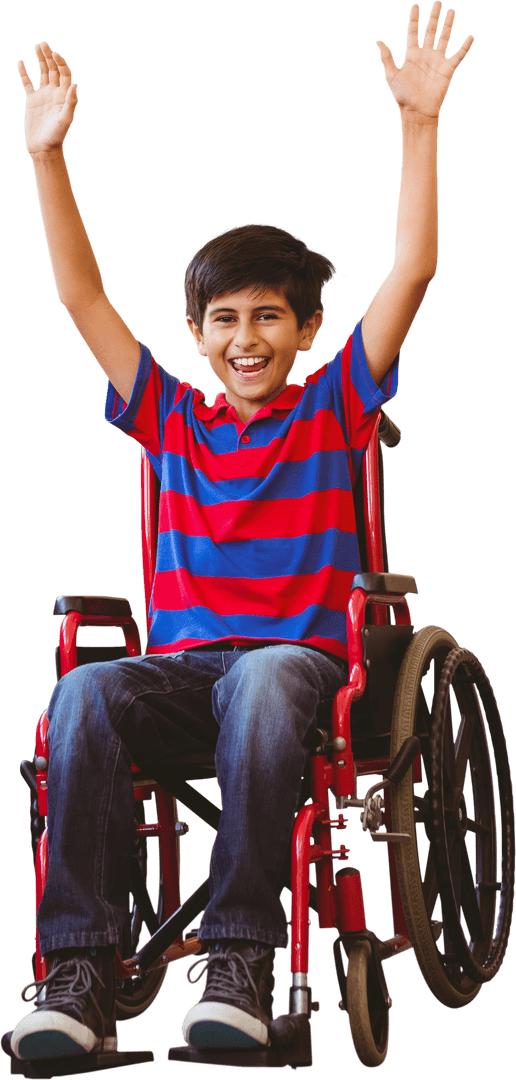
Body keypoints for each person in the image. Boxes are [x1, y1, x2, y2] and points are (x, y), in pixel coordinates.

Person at [10, 2, 473, 1062]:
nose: (246, 336)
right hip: (184, 674)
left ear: (306, 330)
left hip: (297, 675)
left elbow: (412, 274)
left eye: (269, 315)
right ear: (198, 335)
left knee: (264, 675)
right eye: (224, 318)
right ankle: (77, 972)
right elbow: (79, 295)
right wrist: (47, 156)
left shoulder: (333, 408)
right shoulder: (171, 419)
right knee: (81, 689)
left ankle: (239, 965)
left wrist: (419, 128)